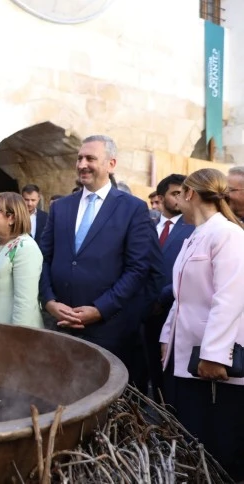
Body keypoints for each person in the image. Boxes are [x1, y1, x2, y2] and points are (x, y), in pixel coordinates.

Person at [38, 135, 156, 371]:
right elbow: (43, 258)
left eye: (90, 158)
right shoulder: (61, 207)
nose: (82, 164)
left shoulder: (132, 209)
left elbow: (137, 269)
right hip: (60, 324)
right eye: (79, 158)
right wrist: (49, 300)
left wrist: (100, 309)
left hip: (108, 330)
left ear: (111, 164)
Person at [160, 168, 244, 480]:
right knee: (192, 438)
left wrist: (213, 354)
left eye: (180, 194)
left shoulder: (228, 235)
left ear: (190, 194)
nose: (177, 201)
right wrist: (167, 336)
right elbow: (182, 296)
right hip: (186, 359)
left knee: (219, 444)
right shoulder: (197, 235)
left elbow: (230, 297)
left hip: (213, 365)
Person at [137, 174, 193, 396]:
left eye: (184, 193)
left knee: (168, 380)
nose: (181, 198)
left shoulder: (192, 227)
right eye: (175, 193)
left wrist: (164, 297)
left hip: (173, 312)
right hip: (142, 313)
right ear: (160, 197)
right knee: (142, 371)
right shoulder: (145, 225)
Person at [0, 192, 43, 327]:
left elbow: (25, 304)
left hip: (10, 334)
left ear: (12, 217)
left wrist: (15, 340)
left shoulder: (25, 248)